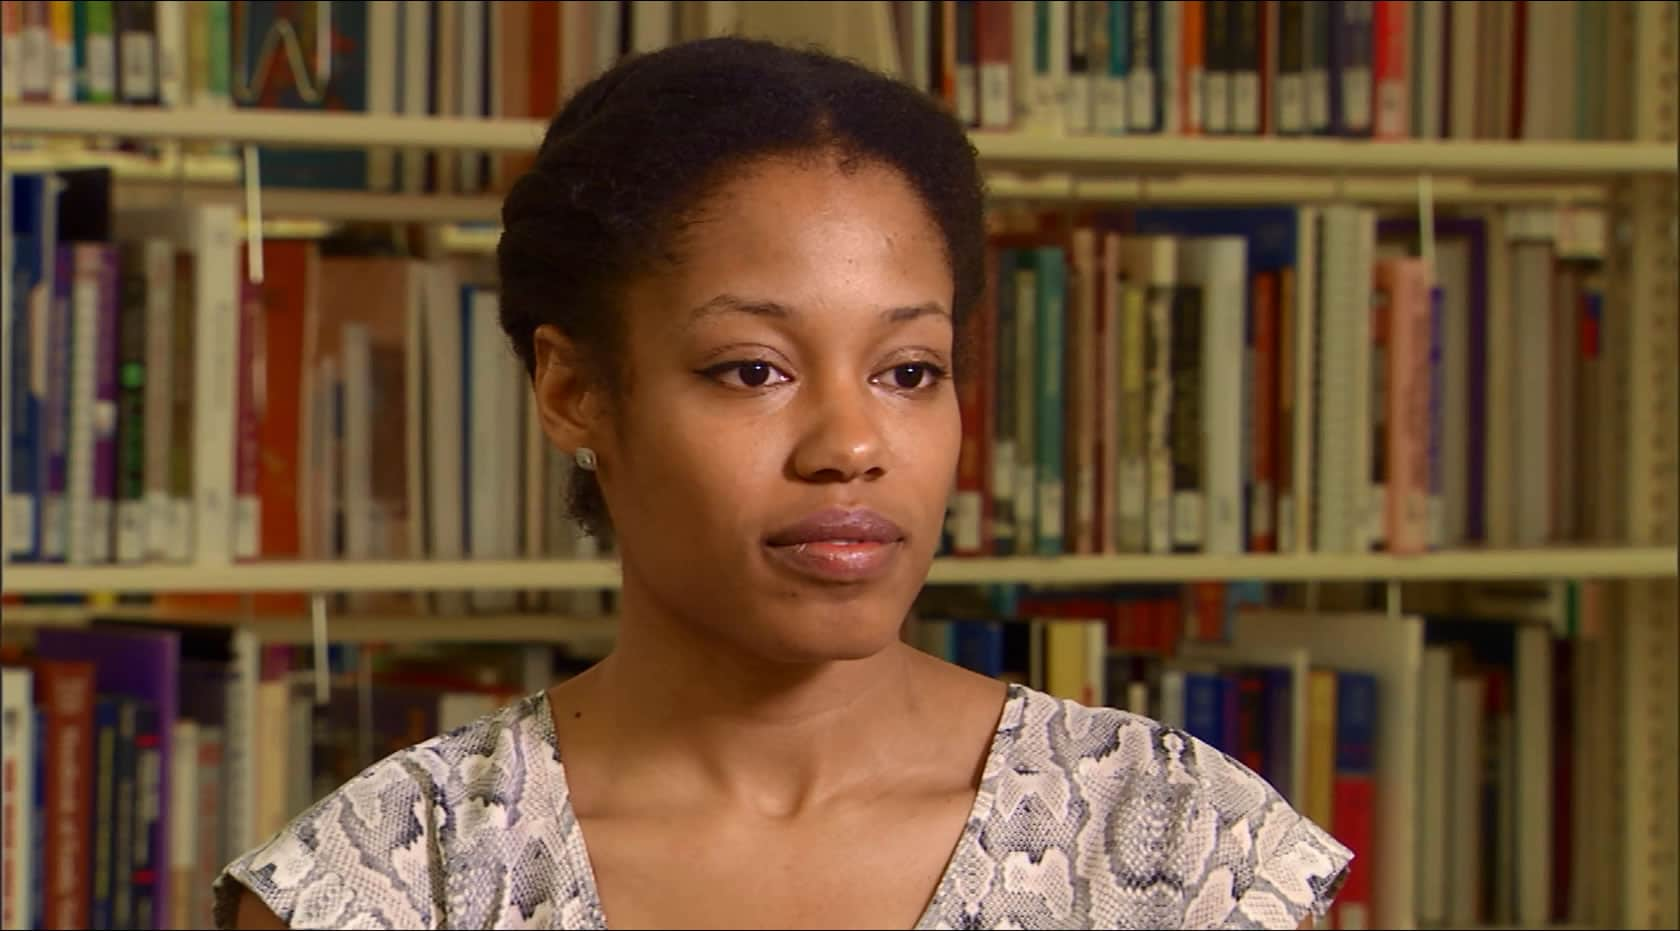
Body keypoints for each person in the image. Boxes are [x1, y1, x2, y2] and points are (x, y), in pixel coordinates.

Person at [214, 36, 1351, 931]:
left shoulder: (1183, 847)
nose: (851, 445)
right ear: (574, 390)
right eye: (753, 369)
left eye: (910, 371)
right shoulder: (387, 883)